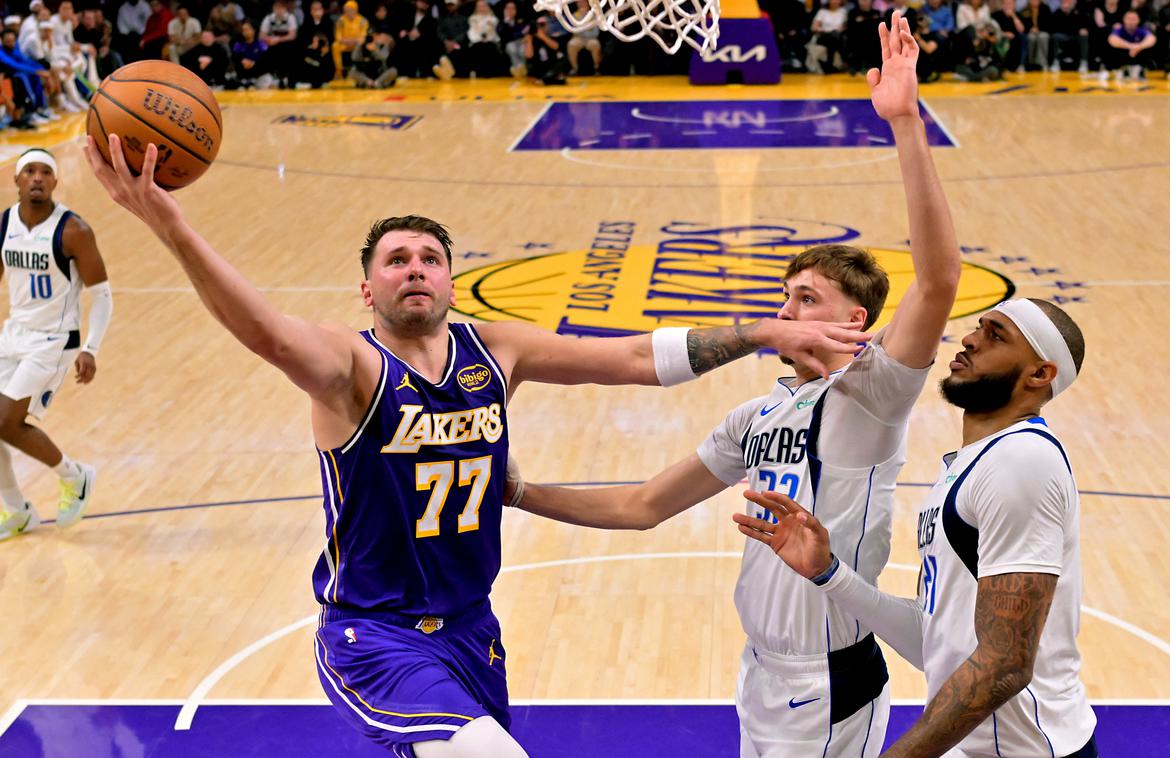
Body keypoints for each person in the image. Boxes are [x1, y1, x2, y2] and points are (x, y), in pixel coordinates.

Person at [82, 134, 868, 756]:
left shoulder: (494, 351)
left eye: (430, 259)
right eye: (396, 261)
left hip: (471, 629)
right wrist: (170, 223)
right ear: (368, 289)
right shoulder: (350, 366)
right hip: (374, 636)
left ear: (452, 284)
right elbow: (266, 333)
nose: (415, 270)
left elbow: (631, 359)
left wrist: (761, 331)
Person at [505, 14, 961, 757]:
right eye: (785, 298)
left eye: (807, 299)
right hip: (759, 673)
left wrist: (905, 123)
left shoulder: (874, 397)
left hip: (828, 680)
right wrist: (522, 493)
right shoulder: (758, 415)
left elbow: (938, 280)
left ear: (855, 319)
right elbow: (643, 506)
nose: (787, 313)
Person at [735, 297, 1097, 757]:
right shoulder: (975, 463)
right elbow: (937, 642)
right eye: (979, 327)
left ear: (1040, 374)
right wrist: (829, 573)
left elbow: (1005, 665)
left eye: (996, 336)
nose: (971, 339)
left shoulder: (1023, 461)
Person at [0, 149, 109, 541]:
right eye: (29, 171)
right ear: (16, 179)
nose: (37, 177)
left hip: (54, 342)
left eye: (45, 172)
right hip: (14, 335)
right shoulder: (5, 224)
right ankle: (17, 511)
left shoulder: (74, 230)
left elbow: (102, 295)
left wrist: (91, 348)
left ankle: (75, 477)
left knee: (6, 422)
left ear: (55, 182)